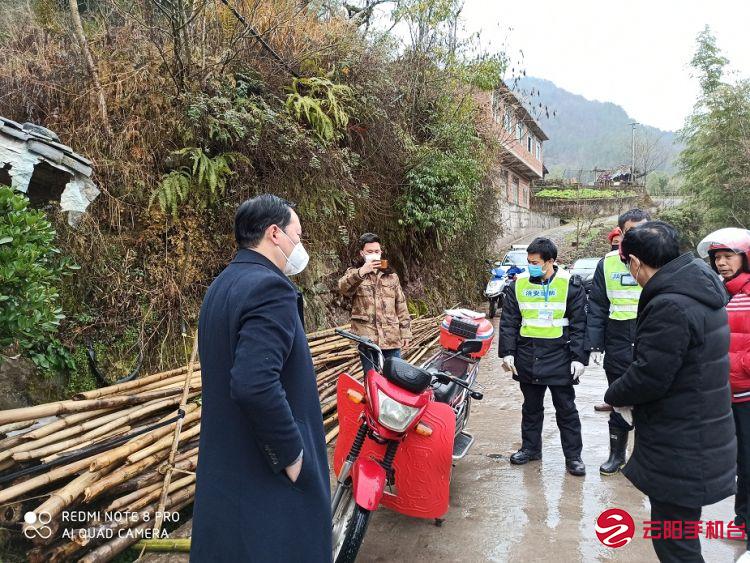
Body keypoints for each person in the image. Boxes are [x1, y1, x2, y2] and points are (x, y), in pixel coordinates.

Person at [191, 195, 331, 562]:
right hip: (265, 476)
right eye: (297, 236)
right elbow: (254, 383)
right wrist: (291, 455)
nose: (299, 246)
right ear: (274, 233)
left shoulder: (221, 286)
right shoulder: (271, 289)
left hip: (228, 469)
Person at [604, 221, 736, 563]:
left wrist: (614, 394)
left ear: (635, 262)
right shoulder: (700, 292)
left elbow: (650, 374)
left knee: (675, 544)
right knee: (681, 534)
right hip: (699, 431)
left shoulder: (670, 306)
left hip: (681, 444)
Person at [499, 237, 589, 476]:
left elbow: (580, 324)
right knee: (531, 407)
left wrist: (579, 357)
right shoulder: (518, 284)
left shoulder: (570, 285)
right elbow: (509, 321)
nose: (532, 266)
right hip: (529, 355)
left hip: (560, 354)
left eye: (536, 262)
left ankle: (573, 457)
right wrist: (507, 353)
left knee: (566, 409)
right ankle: (530, 449)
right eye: (529, 262)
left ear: (551, 261)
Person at [697, 228, 750, 562]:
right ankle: (742, 518)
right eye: (717, 258)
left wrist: (740, 367)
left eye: (729, 256)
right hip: (721, 393)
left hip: (746, 390)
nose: (722, 263)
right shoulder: (718, 293)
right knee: (733, 460)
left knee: (748, 459)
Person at [586, 208, 651, 472]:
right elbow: (598, 305)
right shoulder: (608, 263)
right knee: (619, 398)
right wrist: (595, 344)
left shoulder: (660, 260)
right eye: (631, 232)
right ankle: (616, 455)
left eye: (643, 231)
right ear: (621, 234)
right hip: (618, 338)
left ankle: (646, 458)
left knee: (651, 401)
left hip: (651, 333)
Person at [338, 233, 412, 374]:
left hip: (391, 338)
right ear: (362, 253)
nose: (374, 254)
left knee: (396, 378)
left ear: (381, 252)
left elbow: (401, 306)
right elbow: (343, 288)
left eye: (376, 251)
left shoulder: (392, 277)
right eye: (369, 252)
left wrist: (406, 332)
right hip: (367, 339)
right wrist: (362, 272)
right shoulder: (354, 274)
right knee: (372, 379)